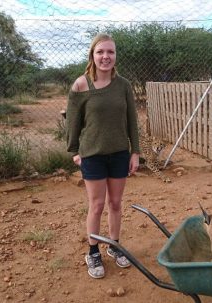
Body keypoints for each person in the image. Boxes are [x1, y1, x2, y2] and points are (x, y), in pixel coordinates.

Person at [65, 33, 140, 279]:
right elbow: (73, 124)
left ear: (115, 56)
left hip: (119, 153)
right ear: (92, 55)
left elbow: (132, 122)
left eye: (110, 52)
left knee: (116, 204)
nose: (105, 56)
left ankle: (114, 246)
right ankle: (93, 250)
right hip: (93, 156)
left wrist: (135, 152)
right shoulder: (80, 85)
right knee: (96, 205)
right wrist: (74, 151)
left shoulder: (124, 85)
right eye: (100, 52)